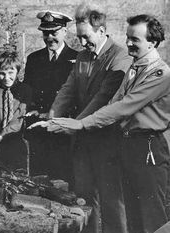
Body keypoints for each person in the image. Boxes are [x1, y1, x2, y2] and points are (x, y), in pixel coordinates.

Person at [48, 14, 170, 233]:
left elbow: (124, 107)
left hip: (148, 149)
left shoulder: (160, 73)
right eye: (128, 38)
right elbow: (115, 102)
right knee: (134, 216)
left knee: (151, 218)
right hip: (129, 146)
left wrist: (83, 124)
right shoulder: (135, 68)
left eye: (136, 40)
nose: (129, 44)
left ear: (152, 43)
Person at [28, 4, 132, 233]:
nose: (82, 44)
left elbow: (103, 97)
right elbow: (68, 89)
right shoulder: (84, 56)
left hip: (107, 141)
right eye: (79, 38)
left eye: (86, 37)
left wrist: (74, 124)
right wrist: (54, 117)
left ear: (102, 31)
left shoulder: (119, 57)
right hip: (83, 141)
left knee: (112, 202)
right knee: (85, 201)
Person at [24, 10, 78, 183]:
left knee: (63, 180)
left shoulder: (77, 59)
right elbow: (29, 91)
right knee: (39, 180)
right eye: (45, 33)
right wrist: (32, 109)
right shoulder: (34, 59)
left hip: (63, 130)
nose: (49, 38)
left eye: (54, 33)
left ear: (64, 31)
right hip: (39, 131)